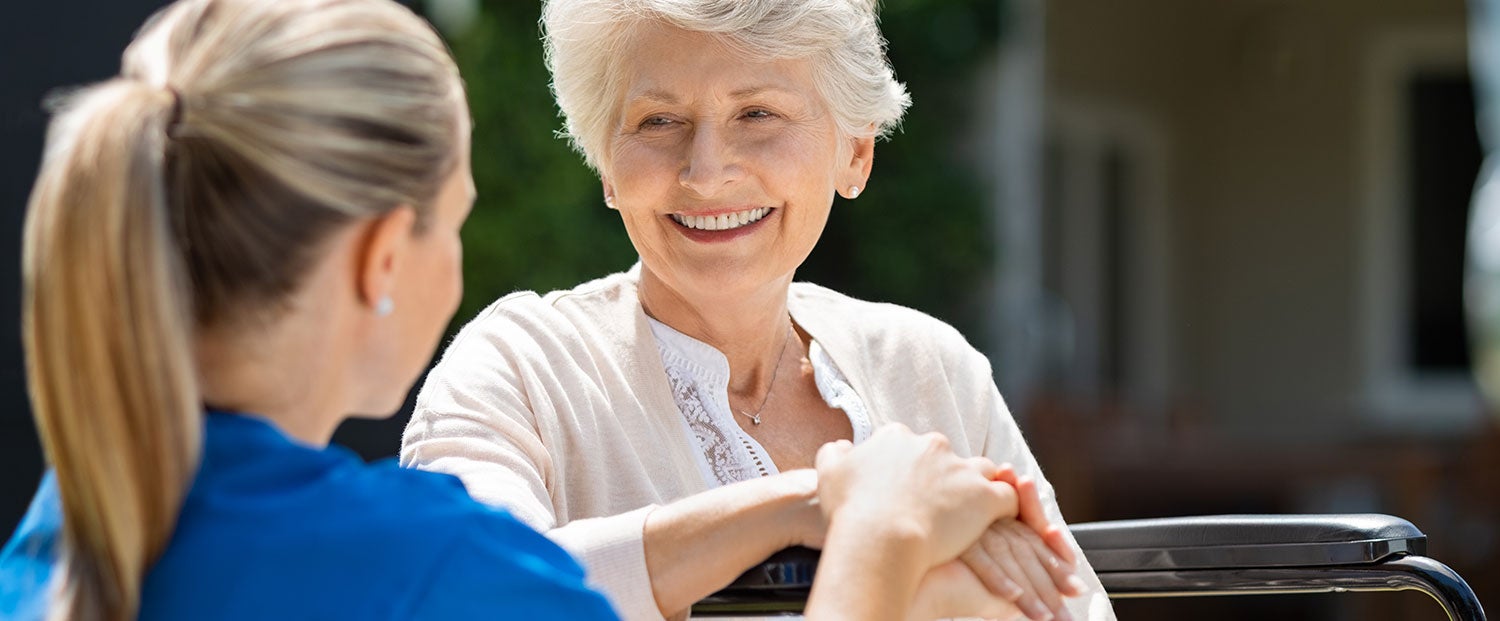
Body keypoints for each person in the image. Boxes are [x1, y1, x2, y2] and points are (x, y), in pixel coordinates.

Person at [0, 0, 1026, 620]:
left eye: (759, 115)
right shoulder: (435, 569)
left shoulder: (72, 525)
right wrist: (876, 538)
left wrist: (801, 502)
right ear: (377, 261)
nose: (708, 166)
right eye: (455, 220)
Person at [400, 1, 1117, 620]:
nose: (706, 170)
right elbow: (466, 591)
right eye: (658, 120)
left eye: (757, 113)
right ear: (605, 164)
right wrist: (828, 507)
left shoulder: (932, 369)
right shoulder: (517, 369)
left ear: (855, 153)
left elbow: (1071, 605)